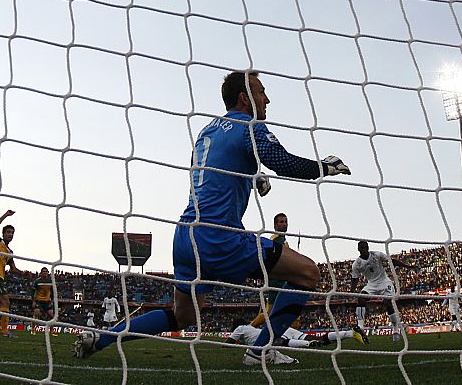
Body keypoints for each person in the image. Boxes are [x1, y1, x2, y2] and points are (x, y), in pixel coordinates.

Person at [74, 70, 351, 366]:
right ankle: (259, 352)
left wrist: (254, 175)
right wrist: (325, 167)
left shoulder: (208, 131)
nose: (266, 99)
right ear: (245, 98)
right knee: (309, 273)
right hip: (219, 236)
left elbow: (214, 168)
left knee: (182, 317)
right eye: (261, 92)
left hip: (185, 236)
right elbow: (282, 162)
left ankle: (101, 339)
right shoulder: (250, 126)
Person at [350, 240, 415, 342]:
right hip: (371, 285)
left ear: (368, 247)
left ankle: (395, 331)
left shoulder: (377, 255)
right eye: (361, 247)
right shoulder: (356, 264)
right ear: (358, 249)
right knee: (361, 299)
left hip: (385, 283)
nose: (364, 249)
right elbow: (355, 279)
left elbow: (392, 261)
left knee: (388, 303)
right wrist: (351, 292)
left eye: (365, 247)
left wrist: (407, 266)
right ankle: (360, 327)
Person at [249, 213, 300, 331]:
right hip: (276, 283)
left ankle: (247, 330)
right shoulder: (275, 239)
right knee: (271, 314)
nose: (284, 224)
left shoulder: (283, 240)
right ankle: (245, 330)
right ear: (275, 225)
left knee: (273, 313)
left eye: (286, 221)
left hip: (282, 282)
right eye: (281, 222)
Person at [226, 319, 366, 350]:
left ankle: (307, 344)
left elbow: (228, 344)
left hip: (276, 335)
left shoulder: (240, 328)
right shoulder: (250, 328)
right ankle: (349, 333)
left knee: (276, 343)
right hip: (287, 330)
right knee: (319, 340)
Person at [31, 267, 58, 336]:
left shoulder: (51, 281)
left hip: (47, 301)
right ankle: (33, 329)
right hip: (38, 300)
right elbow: (32, 291)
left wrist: (52, 300)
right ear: (41, 273)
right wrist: (33, 301)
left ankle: (52, 331)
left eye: (46, 271)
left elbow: (53, 291)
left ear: (48, 273)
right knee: (36, 313)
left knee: (52, 316)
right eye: (43, 271)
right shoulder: (37, 281)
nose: (45, 273)